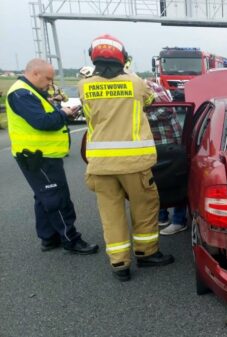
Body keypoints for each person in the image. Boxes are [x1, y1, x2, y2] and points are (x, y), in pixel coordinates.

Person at [79, 34, 174, 282]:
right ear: (123, 57)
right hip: (134, 163)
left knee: (111, 214)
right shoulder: (136, 83)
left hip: (100, 164)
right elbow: (155, 102)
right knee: (144, 208)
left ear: (93, 56)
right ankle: (146, 253)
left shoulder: (83, 86)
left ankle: (120, 263)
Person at [5, 58, 99, 255]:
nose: (50, 83)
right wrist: (63, 114)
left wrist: (63, 113)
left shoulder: (30, 91)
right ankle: (71, 239)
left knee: (43, 196)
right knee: (56, 197)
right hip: (37, 156)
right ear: (35, 73)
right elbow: (42, 122)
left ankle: (48, 237)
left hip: (40, 154)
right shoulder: (22, 93)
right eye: (48, 78)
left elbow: (44, 116)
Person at [144, 78, 187, 236]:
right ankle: (162, 217)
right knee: (156, 182)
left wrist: (142, 119)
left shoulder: (147, 86)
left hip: (169, 143)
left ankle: (178, 221)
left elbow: (167, 109)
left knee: (176, 182)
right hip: (151, 143)